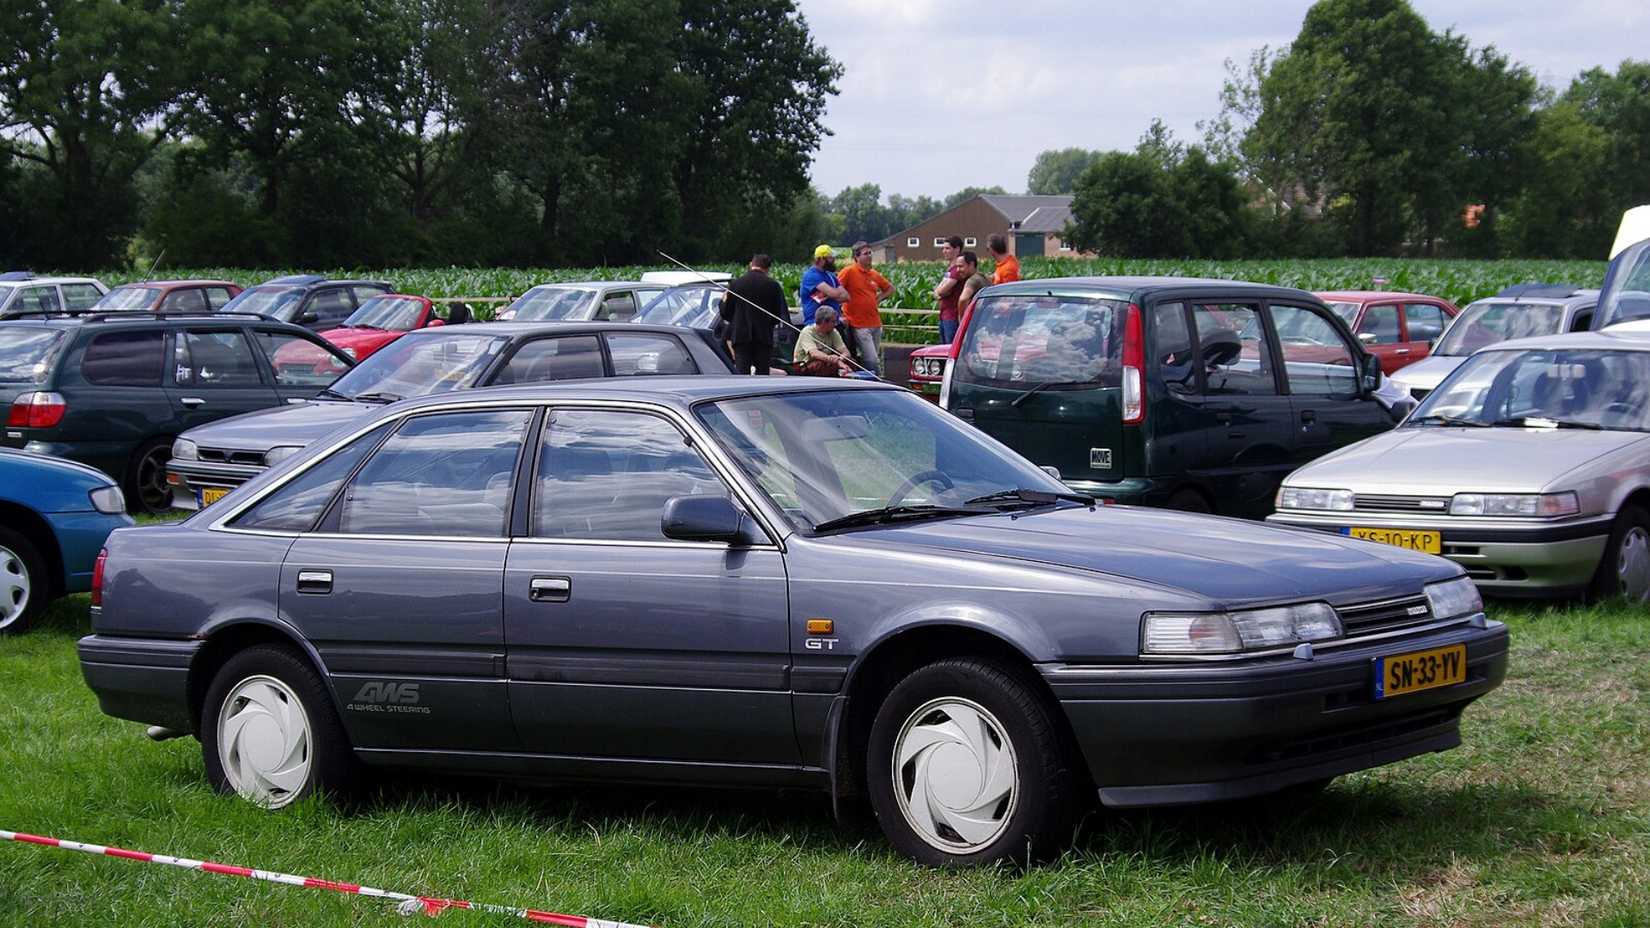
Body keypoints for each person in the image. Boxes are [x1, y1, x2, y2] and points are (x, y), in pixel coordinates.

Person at [720, 254, 787, 374]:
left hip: (741, 337)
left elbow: (726, 313)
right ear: (768, 268)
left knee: (742, 372)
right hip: (763, 337)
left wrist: (723, 303)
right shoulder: (773, 285)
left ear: (751, 264)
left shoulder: (736, 284)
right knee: (762, 373)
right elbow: (777, 315)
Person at [837, 241, 893, 376]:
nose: (869, 256)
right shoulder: (848, 272)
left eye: (870, 253)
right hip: (859, 324)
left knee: (873, 357)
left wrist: (877, 299)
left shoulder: (874, 274)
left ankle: (868, 379)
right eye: (865, 254)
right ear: (857, 257)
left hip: (875, 323)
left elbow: (890, 289)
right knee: (871, 359)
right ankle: (877, 381)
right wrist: (840, 312)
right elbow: (836, 290)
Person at [793, 305, 854, 377]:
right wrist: (834, 361)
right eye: (833, 322)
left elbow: (845, 352)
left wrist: (840, 359)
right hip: (805, 364)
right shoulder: (807, 332)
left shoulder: (833, 332)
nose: (835, 324)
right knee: (820, 366)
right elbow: (814, 354)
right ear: (824, 322)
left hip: (827, 361)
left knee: (851, 361)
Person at [801, 244, 849, 326]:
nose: (833, 260)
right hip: (816, 324)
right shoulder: (811, 275)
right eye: (830, 258)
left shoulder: (831, 276)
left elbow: (846, 296)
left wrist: (827, 294)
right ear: (821, 259)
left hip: (833, 323)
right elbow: (833, 294)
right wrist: (833, 294)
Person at [932, 235, 967, 343]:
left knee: (950, 347)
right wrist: (939, 292)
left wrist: (939, 292)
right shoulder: (950, 270)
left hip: (952, 316)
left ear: (957, 249)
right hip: (944, 315)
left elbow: (941, 291)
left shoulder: (957, 270)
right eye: (943, 248)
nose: (944, 251)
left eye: (947, 248)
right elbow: (938, 291)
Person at [957, 251, 992, 316]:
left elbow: (963, 299)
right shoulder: (983, 277)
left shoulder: (973, 280)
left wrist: (962, 318)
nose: (958, 270)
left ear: (971, 264)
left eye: (961, 266)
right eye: (957, 267)